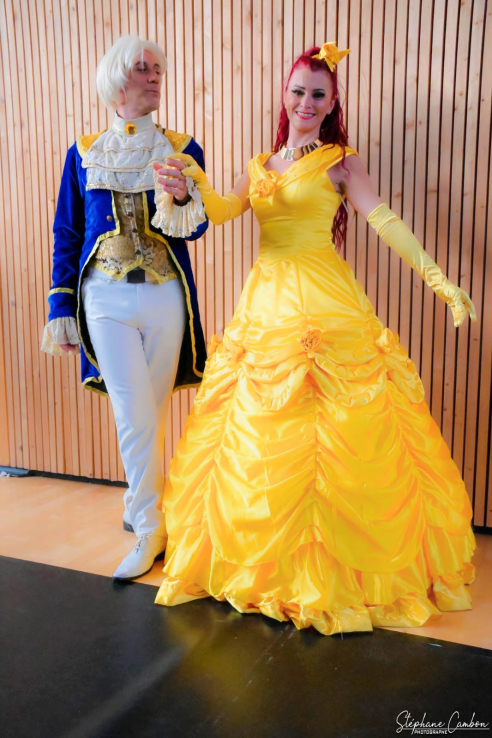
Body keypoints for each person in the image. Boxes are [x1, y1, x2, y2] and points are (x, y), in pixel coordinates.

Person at [152, 43, 476, 636]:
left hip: (326, 302)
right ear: (285, 95)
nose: (306, 102)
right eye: (298, 90)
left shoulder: (341, 162)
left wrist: (439, 279)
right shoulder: (260, 164)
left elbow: (383, 220)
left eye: (318, 94)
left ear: (331, 104)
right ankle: (264, 565)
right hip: (265, 304)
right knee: (260, 430)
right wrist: (189, 183)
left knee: (339, 431)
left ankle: (340, 572)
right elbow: (221, 212)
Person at [41, 35, 209, 580]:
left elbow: (197, 227)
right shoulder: (84, 151)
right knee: (132, 412)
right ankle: (149, 529)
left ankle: (138, 504)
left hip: (165, 294)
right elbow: (67, 232)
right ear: (117, 78)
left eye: (158, 68)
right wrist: (60, 306)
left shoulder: (182, 148)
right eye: (143, 68)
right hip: (104, 297)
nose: (155, 76)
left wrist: (180, 198)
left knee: (150, 411)